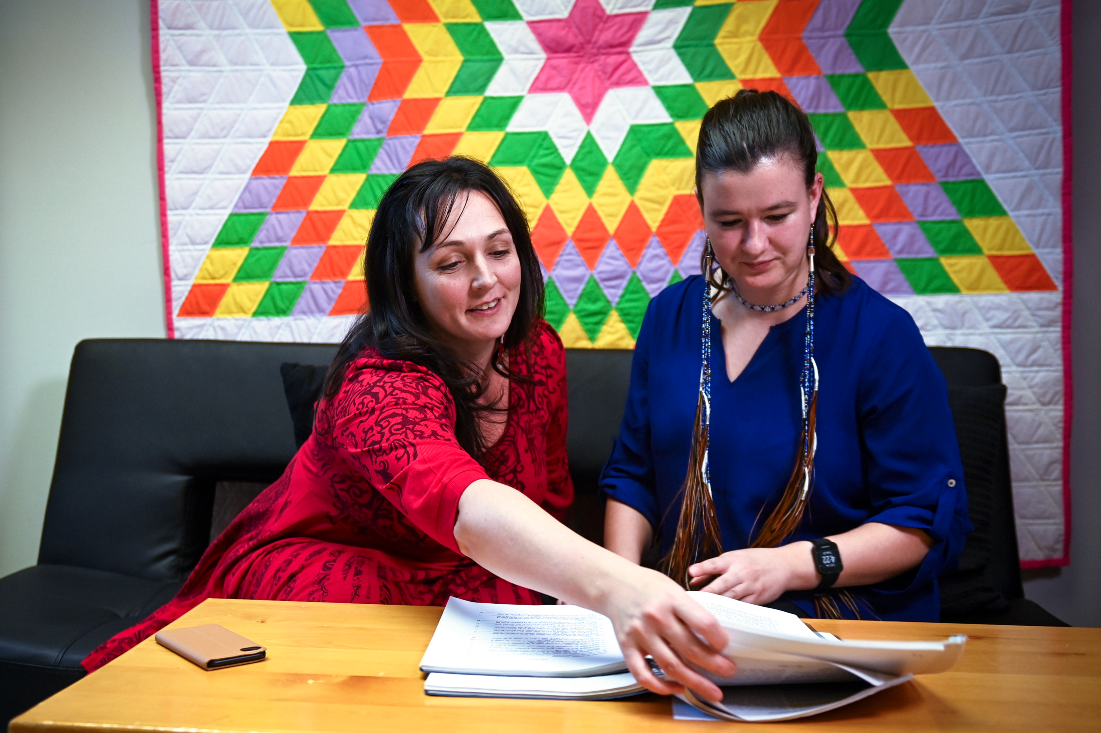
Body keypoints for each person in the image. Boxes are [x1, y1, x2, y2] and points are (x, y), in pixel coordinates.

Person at [82, 157, 736, 702]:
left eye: (499, 250)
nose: (485, 279)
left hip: (474, 576)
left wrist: (573, 597)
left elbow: (544, 498)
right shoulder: (377, 382)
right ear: (408, 282)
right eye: (450, 263)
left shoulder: (536, 350)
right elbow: (465, 505)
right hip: (331, 574)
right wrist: (620, 585)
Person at [601, 90, 972, 622]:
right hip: (691, 625)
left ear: (815, 195)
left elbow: (921, 523)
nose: (754, 244)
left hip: (835, 625)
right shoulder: (670, 318)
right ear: (702, 208)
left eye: (777, 215)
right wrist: (622, 589)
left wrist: (793, 565)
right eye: (728, 221)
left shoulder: (881, 336)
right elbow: (632, 478)